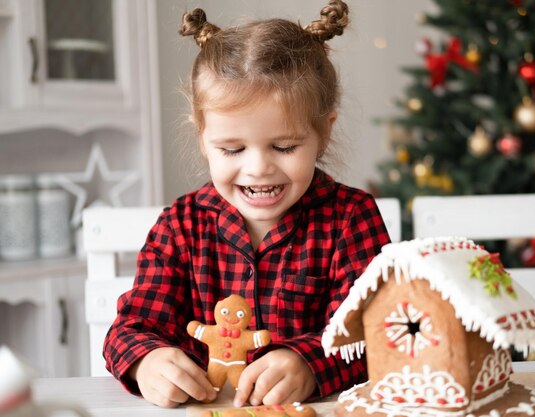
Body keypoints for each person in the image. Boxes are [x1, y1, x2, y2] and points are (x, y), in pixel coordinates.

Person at [103, 0, 390, 409]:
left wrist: (309, 364)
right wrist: (147, 362)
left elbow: (375, 335)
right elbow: (130, 329)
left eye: (284, 146)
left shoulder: (351, 219)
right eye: (232, 148)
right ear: (203, 137)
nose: (258, 168)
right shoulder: (180, 226)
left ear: (323, 133)